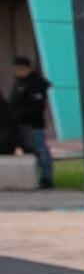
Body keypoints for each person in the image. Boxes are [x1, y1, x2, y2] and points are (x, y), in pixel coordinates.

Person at [5, 56, 49, 189]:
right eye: (17, 69)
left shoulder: (36, 83)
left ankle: (46, 177)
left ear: (29, 68)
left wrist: (18, 116)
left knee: (40, 150)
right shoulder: (19, 83)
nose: (20, 72)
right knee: (29, 150)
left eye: (23, 69)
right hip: (19, 124)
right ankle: (33, 176)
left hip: (32, 123)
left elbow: (36, 106)